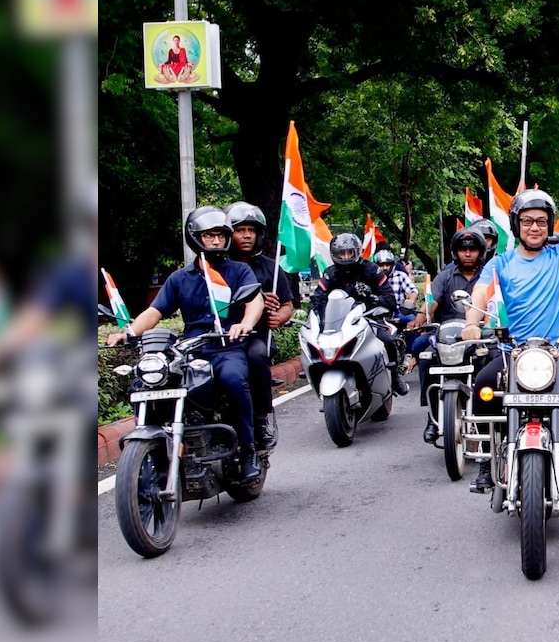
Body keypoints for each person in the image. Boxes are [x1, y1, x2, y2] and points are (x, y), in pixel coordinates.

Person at [460, 159, 559, 493]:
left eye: (542, 222)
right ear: (516, 225)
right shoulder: (499, 263)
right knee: (483, 388)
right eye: (528, 221)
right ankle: (486, 462)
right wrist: (472, 324)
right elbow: (480, 294)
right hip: (510, 353)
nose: (535, 227)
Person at [106, 207, 266, 480]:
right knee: (145, 383)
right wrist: (128, 332)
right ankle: (155, 448)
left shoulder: (239, 271)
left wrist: (245, 324)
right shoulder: (180, 278)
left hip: (227, 346)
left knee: (233, 379)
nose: (216, 241)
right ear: (195, 238)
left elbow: (255, 302)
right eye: (209, 236)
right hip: (191, 349)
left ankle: (250, 448)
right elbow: (155, 312)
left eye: (220, 235)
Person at [406, 226, 487, 442]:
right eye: (462, 249)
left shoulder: (489, 275)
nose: (467, 254)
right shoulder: (445, 276)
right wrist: (419, 318)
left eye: (472, 250)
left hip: (482, 334)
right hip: (447, 334)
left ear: (481, 251)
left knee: (491, 363)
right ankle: (433, 418)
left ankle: (489, 417)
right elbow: (432, 302)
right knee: (424, 356)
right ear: (456, 252)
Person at [226, 201, 294, 450]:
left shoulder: (269, 267)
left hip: (255, 336)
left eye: (251, 230)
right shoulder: (217, 266)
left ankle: (262, 418)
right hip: (219, 336)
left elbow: (287, 304)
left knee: (257, 356)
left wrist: (280, 317)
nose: (246, 235)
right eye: (240, 229)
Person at [309, 232, 406, 395]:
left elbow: (390, 300)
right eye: (342, 253)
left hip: (369, 317)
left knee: (388, 340)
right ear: (334, 254)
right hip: (339, 321)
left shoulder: (372, 270)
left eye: (349, 253)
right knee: (313, 339)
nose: (346, 257)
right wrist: (314, 317)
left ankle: (395, 377)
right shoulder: (330, 273)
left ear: (357, 252)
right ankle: (315, 370)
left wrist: (371, 296)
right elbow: (317, 298)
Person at [375, 248, 419, 329]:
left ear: (392, 264)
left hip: (398, 311)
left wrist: (410, 300)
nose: (385, 268)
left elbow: (413, 290)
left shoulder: (400, 275)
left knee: (412, 320)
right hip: (377, 313)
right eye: (381, 265)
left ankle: (411, 342)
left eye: (387, 264)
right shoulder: (372, 278)